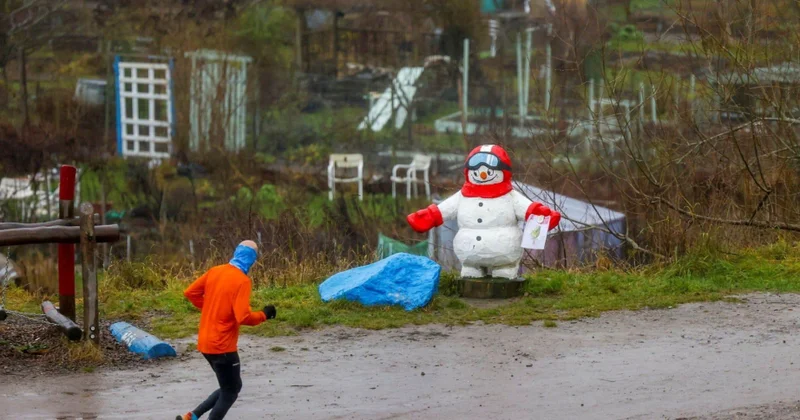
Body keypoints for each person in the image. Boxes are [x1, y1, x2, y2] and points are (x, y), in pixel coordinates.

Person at [177, 240, 277, 420]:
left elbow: (190, 292)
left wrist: (212, 307)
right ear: (252, 260)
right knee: (230, 391)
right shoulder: (242, 281)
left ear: (236, 252)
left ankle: (191, 417)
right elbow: (243, 317)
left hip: (205, 344)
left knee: (229, 387)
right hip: (223, 347)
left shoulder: (215, 271)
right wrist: (264, 314)